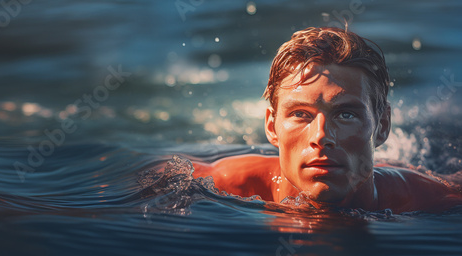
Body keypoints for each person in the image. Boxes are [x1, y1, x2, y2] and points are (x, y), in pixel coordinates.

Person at [192, 27, 462, 213]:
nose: (321, 136)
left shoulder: (432, 199)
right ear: (272, 127)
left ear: (382, 127)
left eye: (346, 114)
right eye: (300, 114)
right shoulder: (228, 183)